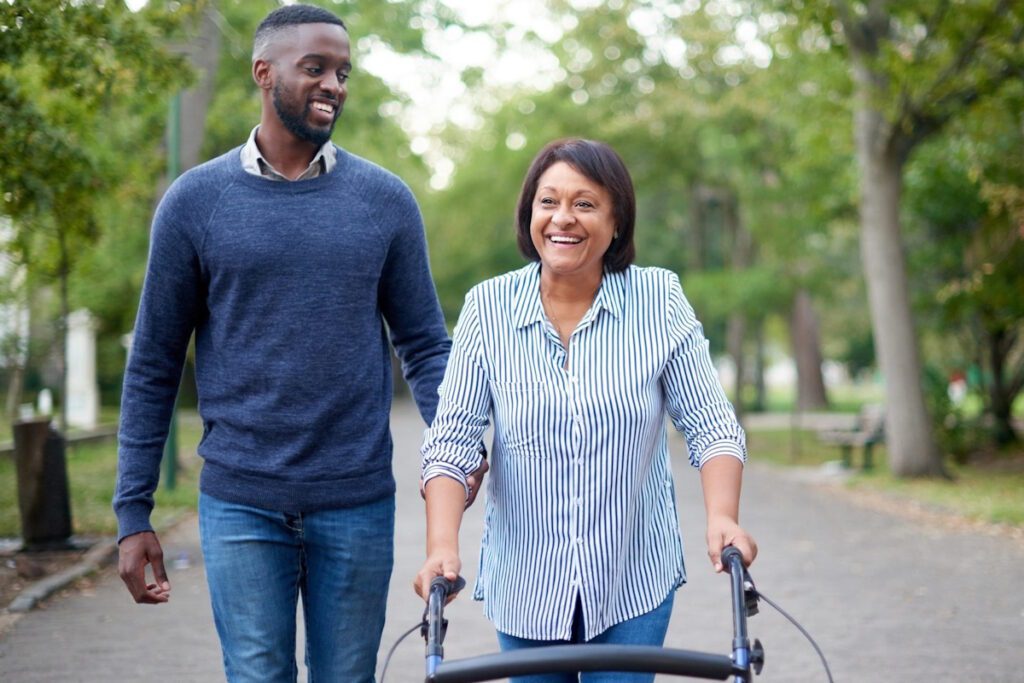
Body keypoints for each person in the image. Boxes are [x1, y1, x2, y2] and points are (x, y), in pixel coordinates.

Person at [112, 5, 483, 681]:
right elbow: (155, 365)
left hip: (358, 500)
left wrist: (460, 443)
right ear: (264, 73)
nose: (334, 84)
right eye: (315, 68)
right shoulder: (194, 203)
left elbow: (427, 344)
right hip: (240, 502)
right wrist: (132, 510)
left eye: (342, 71)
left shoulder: (385, 201)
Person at [414, 138, 757, 682]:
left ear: (617, 220)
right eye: (547, 202)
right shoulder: (488, 307)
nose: (562, 219)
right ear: (529, 214)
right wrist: (440, 548)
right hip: (526, 582)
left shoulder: (659, 300)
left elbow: (711, 425)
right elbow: (452, 443)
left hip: (631, 576)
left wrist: (723, 517)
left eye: (585, 203)